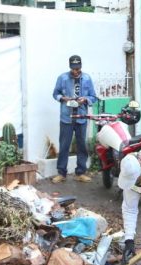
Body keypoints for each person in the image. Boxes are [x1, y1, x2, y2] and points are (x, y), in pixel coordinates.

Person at [51, 55, 97, 183]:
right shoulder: (62, 78)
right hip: (66, 117)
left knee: (82, 145)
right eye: (73, 69)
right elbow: (55, 93)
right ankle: (61, 173)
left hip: (81, 117)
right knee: (64, 145)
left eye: (77, 68)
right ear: (70, 67)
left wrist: (85, 99)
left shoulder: (87, 79)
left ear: (81, 66)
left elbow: (93, 97)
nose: (75, 71)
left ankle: (80, 173)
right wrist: (62, 98)